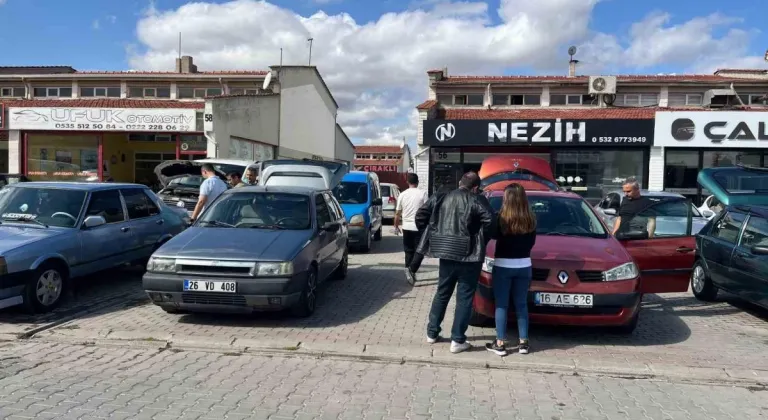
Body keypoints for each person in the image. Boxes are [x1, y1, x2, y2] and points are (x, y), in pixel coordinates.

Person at [416, 172, 494, 354]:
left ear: (460, 183)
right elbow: (491, 221)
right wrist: (480, 239)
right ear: (475, 187)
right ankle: (457, 340)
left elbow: (421, 216)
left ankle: (432, 333)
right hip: (470, 256)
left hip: (446, 251)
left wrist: (435, 233)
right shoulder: (477, 199)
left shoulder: (441, 196)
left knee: (442, 292)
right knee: (465, 297)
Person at [485, 183, 537, 356]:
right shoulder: (531, 218)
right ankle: (524, 343)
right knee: (521, 304)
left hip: (503, 265)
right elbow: (532, 242)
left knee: (502, 305)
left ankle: (500, 343)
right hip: (524, 265)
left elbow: (491, 234)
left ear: (507, 198)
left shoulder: (501, 218)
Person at [393, 173, 429, 285]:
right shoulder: (423, 193)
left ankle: (409, 271)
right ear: (417, 182)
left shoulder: (402, 194)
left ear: (407, 182)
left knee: (408, 250)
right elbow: (427, 210)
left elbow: (398, 212)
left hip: (406, 226)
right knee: (420, 250)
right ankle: (411, 270)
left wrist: (396, 226)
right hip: (419, 226)